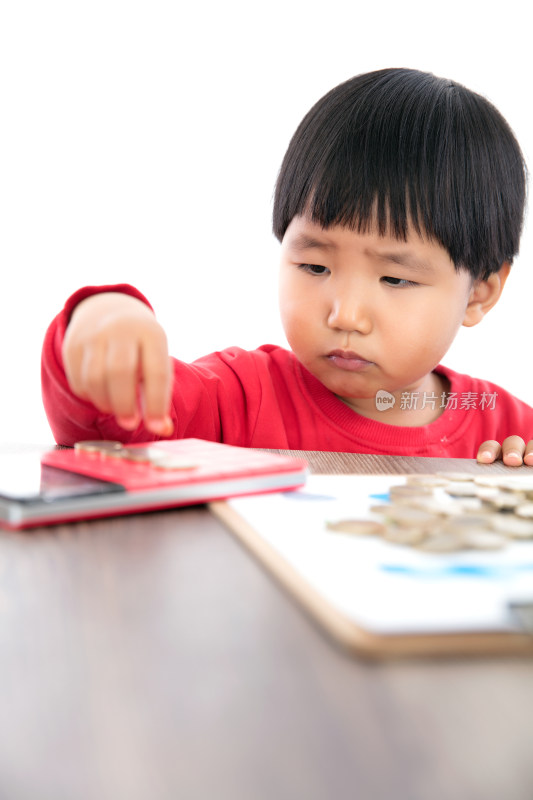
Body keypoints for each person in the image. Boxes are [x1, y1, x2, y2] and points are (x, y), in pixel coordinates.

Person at [42, 68, 533, 465]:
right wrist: (102, 320)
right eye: (315, 266)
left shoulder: (506, 425)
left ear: (478, 293)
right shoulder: (238, 398)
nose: (345, 316)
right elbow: (105, 425)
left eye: (395, 278)